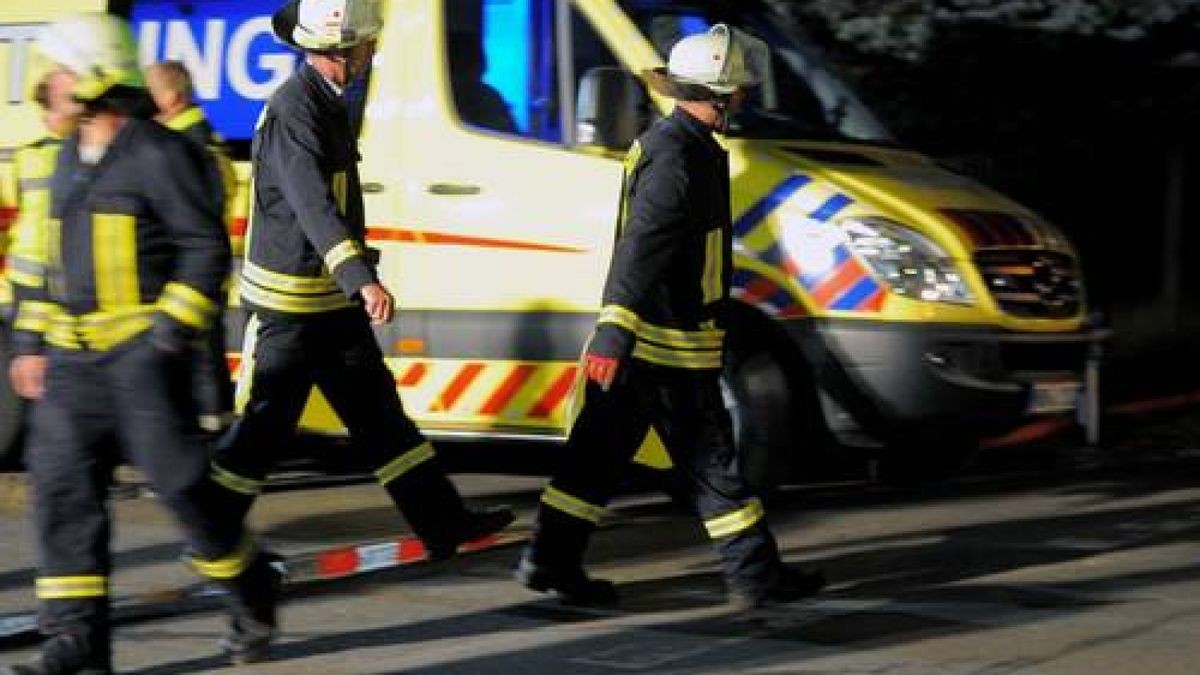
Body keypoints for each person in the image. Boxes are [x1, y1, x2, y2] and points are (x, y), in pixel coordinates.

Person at [515, 24, 826, 610]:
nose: (746, 97)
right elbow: (642, 246)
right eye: (740, 89)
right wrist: (613, 332)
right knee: (713, 468)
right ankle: (756, 577)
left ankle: (551, 561)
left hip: (650, 344)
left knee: (593, 461)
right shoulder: (680, 157)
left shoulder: (681, 145)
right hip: (667, 347)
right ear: (722, 93)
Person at [3, 14, 279, 674]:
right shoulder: (68, 155)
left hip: (140, 359)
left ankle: (252, 583)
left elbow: (203, 247)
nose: (49, 86)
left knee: (184, 487)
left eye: (60, 73)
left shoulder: (161, 153)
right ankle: (76, 641)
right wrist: (29, 341)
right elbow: (42, 259)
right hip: (72, 363)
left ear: (97, 76)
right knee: (61, 489)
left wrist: (166, 335)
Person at [210, 0, 512, 560]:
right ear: (340, 52)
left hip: (328, 302)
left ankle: (443, 524)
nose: (374, 52)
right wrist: (361, 279)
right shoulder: (294, 110)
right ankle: (213, 534)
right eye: (367, 45)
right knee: (264, 431)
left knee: (381, 420)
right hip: (293, 307)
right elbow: (313, 205)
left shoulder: (328, 103)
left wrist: (353, 280)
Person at [144, 59, 237, 432]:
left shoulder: (182, 147)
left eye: (147, 94)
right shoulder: (203, 140)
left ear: (169, 97)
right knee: (205, 361)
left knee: (193, 364)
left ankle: (202, 456)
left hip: (182, 276)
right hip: (198, 276)